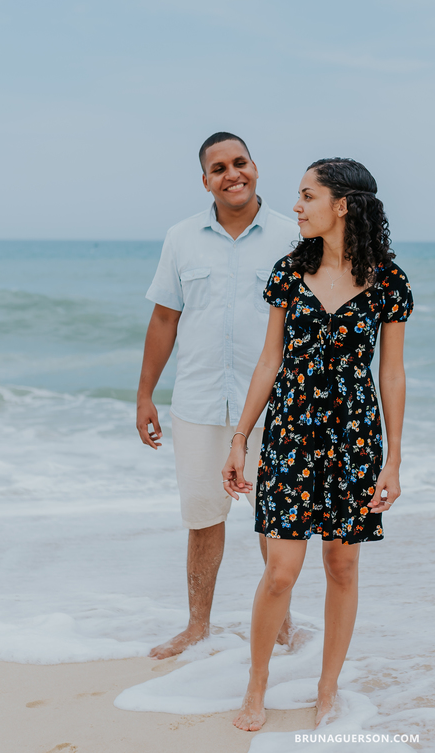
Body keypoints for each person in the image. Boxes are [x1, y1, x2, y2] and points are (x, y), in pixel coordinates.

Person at [221, 157, 413, 730]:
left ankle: (327, 689)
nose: (298, 207)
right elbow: (269, 360)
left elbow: (393, 375)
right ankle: (255, 687)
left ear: (343, 206)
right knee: (281, 570)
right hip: (290, 432)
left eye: (307, 196)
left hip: (354, 438)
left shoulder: (387, 282)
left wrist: (393, 460)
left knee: (342, 565)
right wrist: (240, 439)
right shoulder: (288, 272)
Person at [136, 131, 301, 659]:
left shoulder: (293, 235)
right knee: (203, 518)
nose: (233, 174)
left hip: (274, 405)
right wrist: (145, 396)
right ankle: (196, 626)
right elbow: (165, 317)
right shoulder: (181, 238)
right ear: (205, 180)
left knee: (274, 522)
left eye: (241, 162)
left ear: (255, 167)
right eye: (219, 167)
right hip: (200, 403)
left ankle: (281, 626)